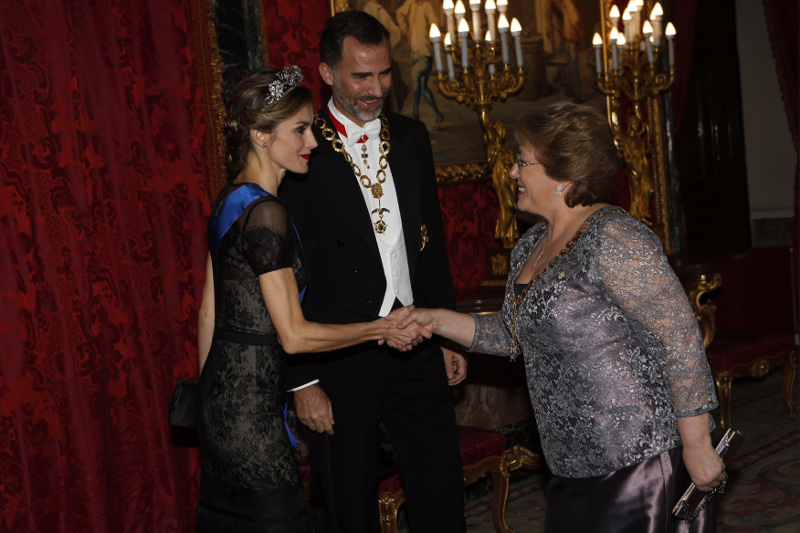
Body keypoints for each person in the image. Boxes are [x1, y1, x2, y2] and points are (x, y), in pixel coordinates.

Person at [398, 104, 726, 532]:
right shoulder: (530, 244)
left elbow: (680, 343)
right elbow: (512, 334)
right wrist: (435, 320)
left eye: (521, 161)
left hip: (636, 459)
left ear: (564, 173)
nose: (512, 173)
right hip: (569, 465)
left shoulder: (615, 237)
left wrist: (698, 446)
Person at [195, 66, 428, 533]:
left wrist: (211, 401)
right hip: (252, 415)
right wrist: (381, 327)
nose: (313, 142)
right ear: (261, 135)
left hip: (223, 407)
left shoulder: (230, 200)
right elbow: (296, 337)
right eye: (300, 130)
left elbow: (208, 313)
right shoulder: (266, 212)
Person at [280, 11, 467, 533]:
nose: (377, 88)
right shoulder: (300, 150)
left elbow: (432, 246)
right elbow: (286, 277)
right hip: (342, 353)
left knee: (440, 490)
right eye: (361, 76)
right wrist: (304, 382)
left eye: (384, 73)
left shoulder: (412, 137)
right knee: (349, 501)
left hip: (417, 336)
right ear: (326, 74)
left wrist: (449, 332)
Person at [396, 0, 445, 130]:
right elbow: (399, 13)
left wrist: (431, 38)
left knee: (415, 76)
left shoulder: (427, 6)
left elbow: (435, 22)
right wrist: (405, 29)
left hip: (425, 54)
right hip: (414, 53)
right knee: (423, 88)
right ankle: (438, 115)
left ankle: (415, 113)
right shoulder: (411, 4)